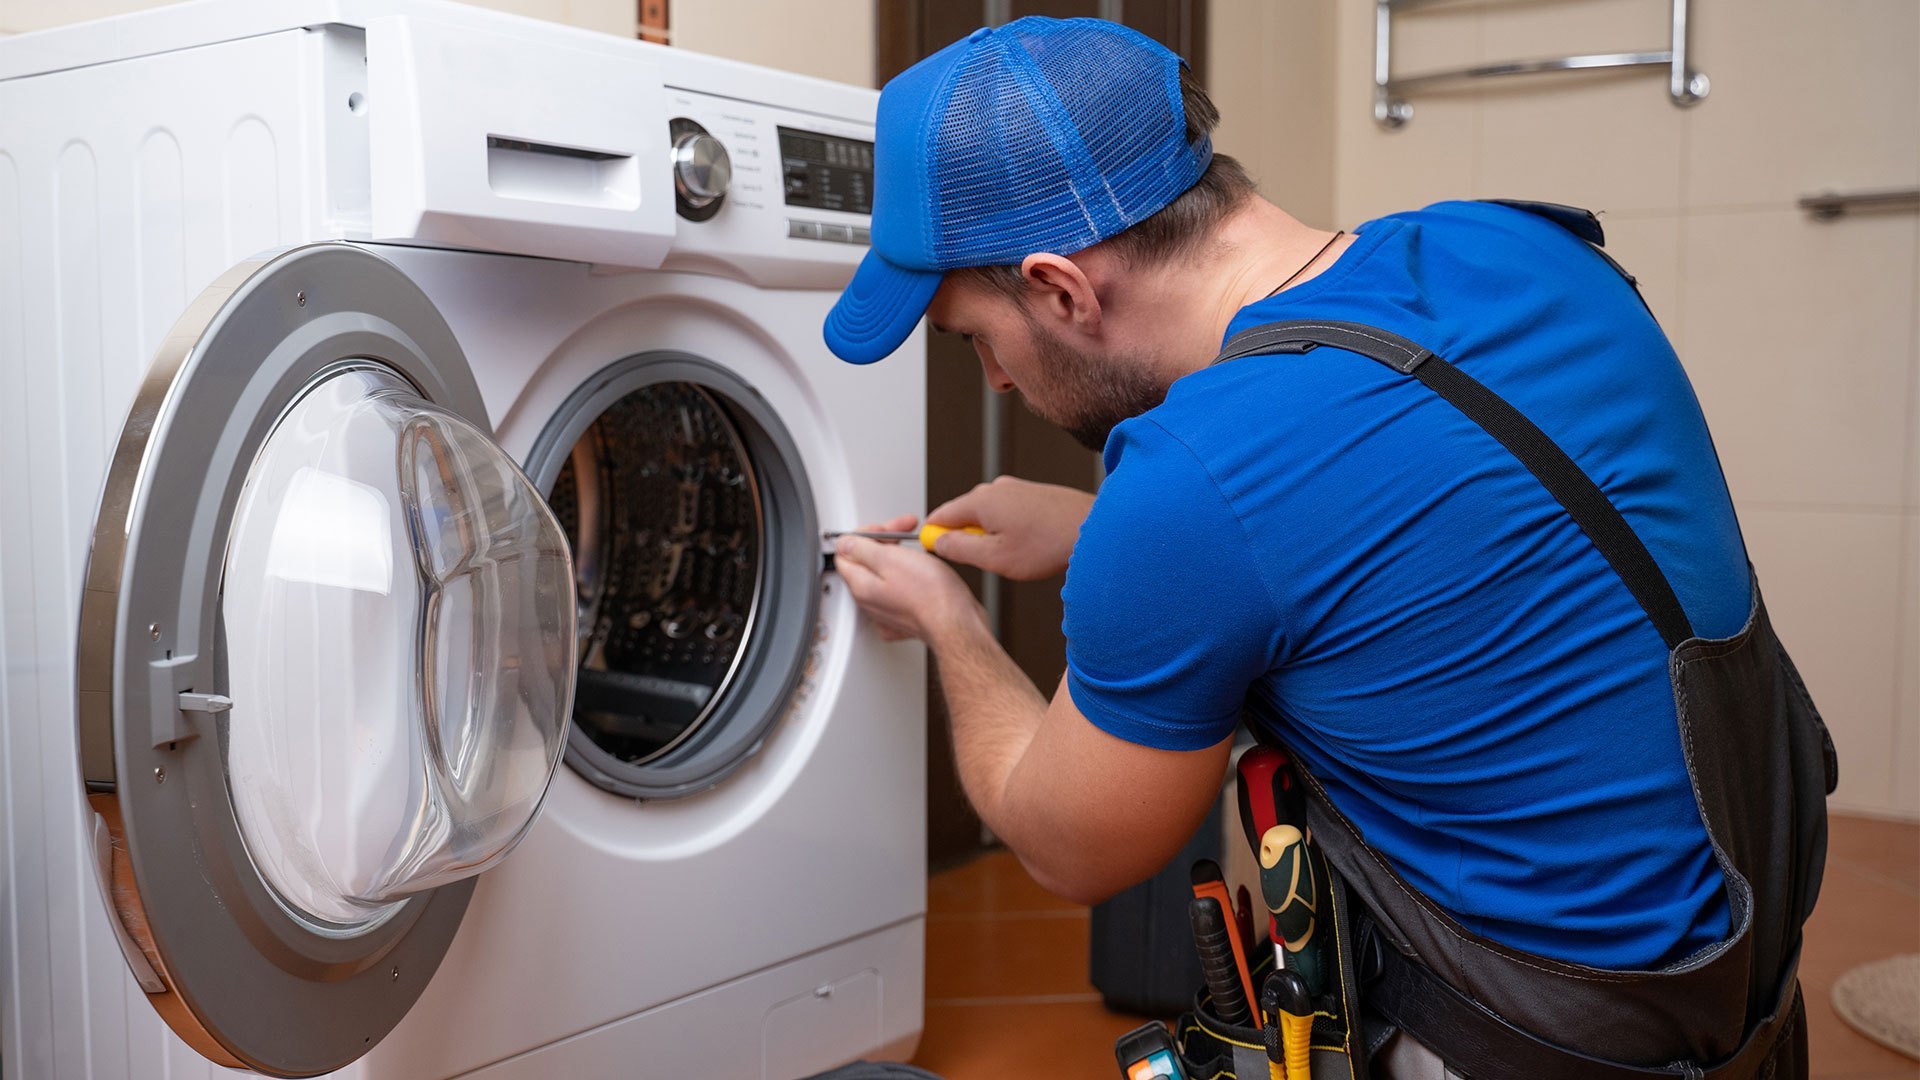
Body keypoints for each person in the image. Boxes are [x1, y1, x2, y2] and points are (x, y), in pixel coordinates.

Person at [824, 17, 1831, 1080]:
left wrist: (949, 622)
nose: (994, 380)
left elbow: (1066, 845)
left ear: (1063, 288)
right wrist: (1089, 535)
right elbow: (1443, 547)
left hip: (1528, 1046)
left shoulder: (1189, 480)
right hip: (1745, 1016)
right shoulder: (1519, 247)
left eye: (976, 334)